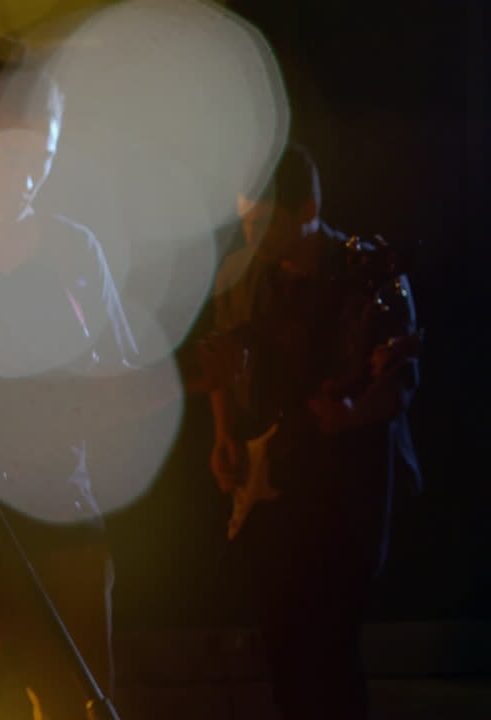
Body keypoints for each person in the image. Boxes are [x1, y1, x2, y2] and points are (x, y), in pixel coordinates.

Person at [0, 34, 231, 720]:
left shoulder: (75, 250)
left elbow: (115, 374)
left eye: (44, 158)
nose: (32, 174)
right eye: (15, 155)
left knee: (75, 698)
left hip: (62, 519)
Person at [207, 144, 422, 720]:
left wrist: (350, 413)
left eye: (262, 222)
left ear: (307, 209)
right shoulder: (245, 276)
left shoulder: (369, 272)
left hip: (346, 495)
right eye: (245, 220)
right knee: (282, 648)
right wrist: (224, 435)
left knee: (332, 650)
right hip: (274, 489)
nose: (252, 236)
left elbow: (401, 382)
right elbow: (222, 362)